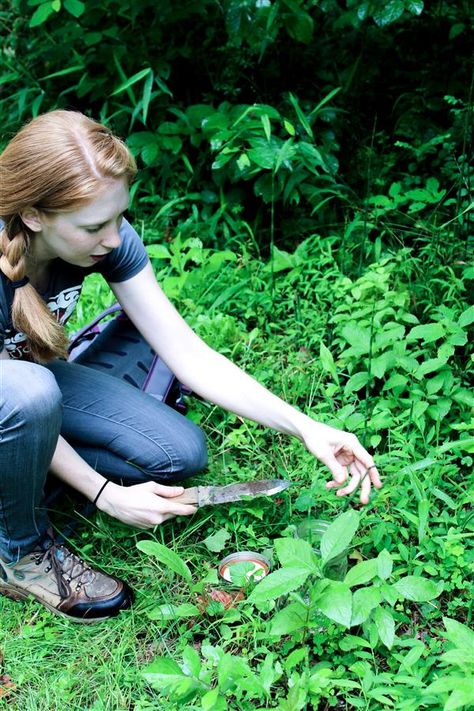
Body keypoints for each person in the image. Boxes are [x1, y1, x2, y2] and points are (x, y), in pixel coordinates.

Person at [0, 110, 382, 623]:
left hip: (30, 384)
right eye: (95, 226)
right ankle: (20, 552)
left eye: (119, 217)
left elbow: (188, 354)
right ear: (33, 215)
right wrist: (104, 493)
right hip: (18, 393)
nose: (115, 238)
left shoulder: (104, 239)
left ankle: (30, 467)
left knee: (177, 452)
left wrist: (305, 426)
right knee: (29, 394)